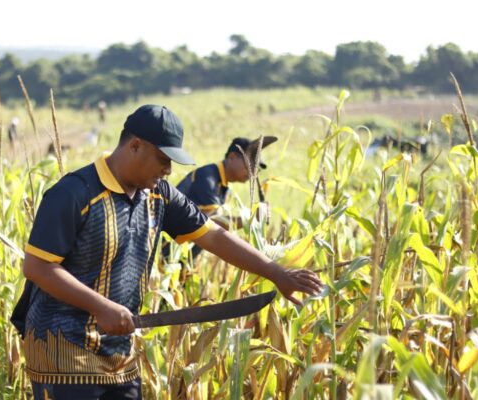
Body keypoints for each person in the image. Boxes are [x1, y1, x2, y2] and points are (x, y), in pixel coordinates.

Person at [21, 105, 322, 400]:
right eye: (163, 159)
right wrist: (100, 306)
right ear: (135, 146)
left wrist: (276, 272)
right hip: (62, 348)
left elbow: (214, 236)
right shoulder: (75, 193)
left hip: (119, 351)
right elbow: (37, 267)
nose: (168, 170)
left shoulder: (159, 194)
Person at [174, 136, 277, 258]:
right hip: (168, 253)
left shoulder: (224, 186)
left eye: (256, 169)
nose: (252, 173)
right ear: (232, 157)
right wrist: (250, 219)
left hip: (180, 258)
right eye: (249, 165)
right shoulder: (207, 178)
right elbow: (211, 223)